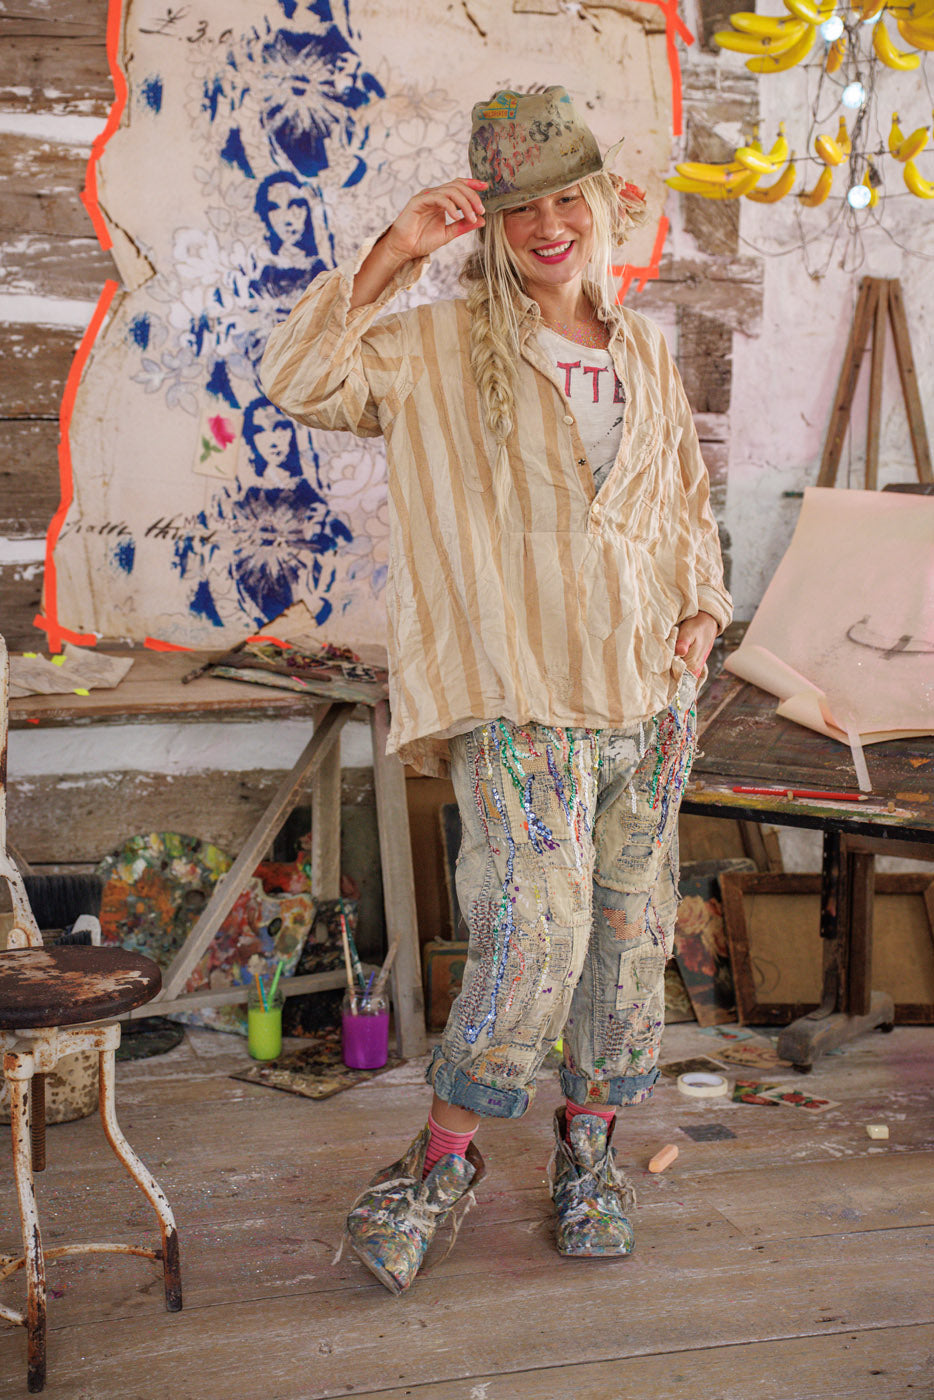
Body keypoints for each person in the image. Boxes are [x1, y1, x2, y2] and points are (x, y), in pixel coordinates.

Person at [261, 85, 732, 1295]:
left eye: (565, 197)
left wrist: (700, 610)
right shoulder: (432, 347)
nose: (546, 224)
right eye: (517, 207)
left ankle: (589, 1154)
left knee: (627, 938)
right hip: (519, 698)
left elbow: (681, 507)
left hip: (647, 699)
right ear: (489, 225)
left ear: (601, 205)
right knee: (536, 932)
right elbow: (298, 377)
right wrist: (393, 251)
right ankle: (442, 1159)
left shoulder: (641, 352)